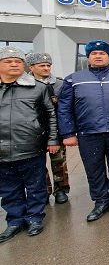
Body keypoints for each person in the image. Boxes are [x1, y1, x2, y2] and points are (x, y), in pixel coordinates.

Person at [57, 40, 109, 222]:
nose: (98, 56)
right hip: (88, 132)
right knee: (94, 169)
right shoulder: (73, 79)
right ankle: (101, 201)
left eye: (102, 53)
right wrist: (68, 133)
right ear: (88, 57)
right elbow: (64, 108)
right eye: (94, 53)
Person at [0, 47, 59, 242]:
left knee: (35, 185)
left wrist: (52, 140)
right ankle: (15, 221)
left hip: (31, 146)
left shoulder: (38, 87)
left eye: (18, 61)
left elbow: (51, 115)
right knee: (9, 189)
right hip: (2, 150)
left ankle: (34, 217)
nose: (14, 64)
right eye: (9, 61)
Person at [25, 52, 70, 204]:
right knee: (37, 165)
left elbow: (65, 108)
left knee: (58, 162)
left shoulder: (59, 84)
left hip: (55, 129)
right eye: (41, 65)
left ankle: (61, 190)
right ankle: (44, 191)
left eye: (48, 65)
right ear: (31, 67)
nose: (46, 68)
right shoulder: (24, 84)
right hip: (33, 131)